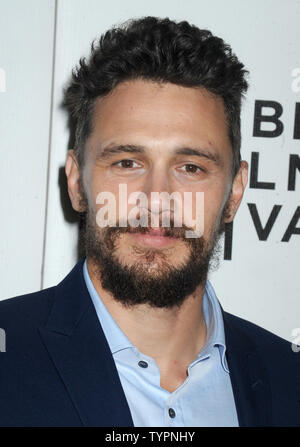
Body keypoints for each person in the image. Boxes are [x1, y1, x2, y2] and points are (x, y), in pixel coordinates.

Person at [0, 16, 299, 427]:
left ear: (234, 192)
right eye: (127, 162)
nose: (156, 199)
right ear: (76, 183)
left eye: (191, 167)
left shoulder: (289, 377)